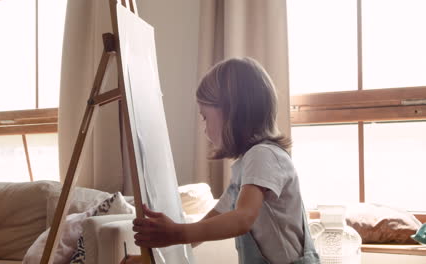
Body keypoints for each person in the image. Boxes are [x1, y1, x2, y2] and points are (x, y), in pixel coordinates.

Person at [122, 57, 319, 264]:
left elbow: (243, 218)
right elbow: (213, 219)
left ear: (232, 112)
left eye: (205, 117)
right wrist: (155, 256)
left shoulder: (263, 155)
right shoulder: (246, 167)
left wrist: (178, 233)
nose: (204, 128)